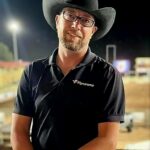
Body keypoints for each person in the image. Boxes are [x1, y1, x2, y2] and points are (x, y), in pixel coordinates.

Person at [11, 0, 125, 150]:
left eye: (86, 20)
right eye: (70, 15)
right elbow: (19, 132)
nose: (76, 25)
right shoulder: (33, 71)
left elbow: (107, 141)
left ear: (93, 31)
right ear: (58, 21)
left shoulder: (107, 75)